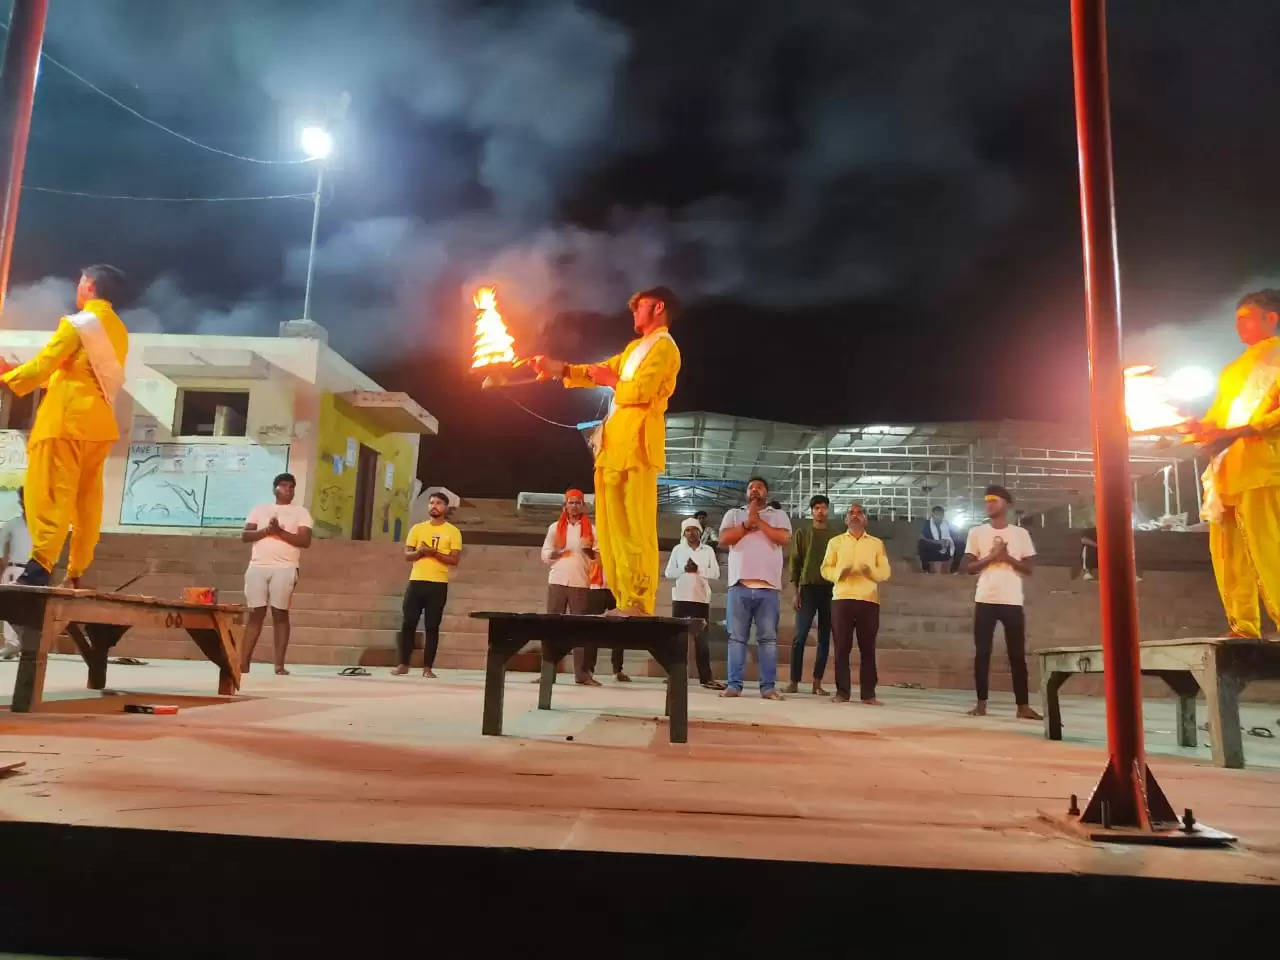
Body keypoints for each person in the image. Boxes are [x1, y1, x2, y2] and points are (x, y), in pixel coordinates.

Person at [529, 287, 681, 616]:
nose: (633, 313)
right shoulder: (634, 350)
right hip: (613, 449)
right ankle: (625, 600)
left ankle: (639, 602)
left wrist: (612, 379)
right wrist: (560, 369)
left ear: (658, 308)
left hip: (637, 448)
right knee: (613, 533)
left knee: (634, 528)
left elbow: (641, 390)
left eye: (639, 307)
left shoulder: (665, 348)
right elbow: (598, 370)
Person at [0, 266, 128, 587]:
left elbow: (44, 365)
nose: (77, 286)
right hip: (98, 426)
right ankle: (77, 571)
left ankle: (40, 567)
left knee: (49, 493)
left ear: (90, 286)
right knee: (87, 500)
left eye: (80, 282)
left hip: (65, 422)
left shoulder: (79, 324)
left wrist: (7, 375)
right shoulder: (118, 331)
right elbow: (76, 373)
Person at [1184, 288, 1280, 639]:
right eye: (1236, 320)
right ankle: (1243, 626)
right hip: (1226, 473)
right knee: (1228, 554)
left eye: (1246, 318)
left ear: (1272, 318)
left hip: (1264, 470)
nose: (1239, 326)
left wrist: (1249, 428)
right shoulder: (1232, 371)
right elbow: (1217, 418)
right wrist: (1200, 427)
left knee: (1269, 549)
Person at [961, 485, 1042, 719]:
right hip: (985, 598)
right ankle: (981, 703)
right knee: (982, 652)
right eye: (986, 500)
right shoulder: (977, 532)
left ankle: (1023, 706)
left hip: (1012, 600)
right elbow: (967, 567)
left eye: (994, 500)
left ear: (1006, 504)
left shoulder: (1020, 534)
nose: (988, 504)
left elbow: (1029, 568)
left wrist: (1007, 558)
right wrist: (991, 557)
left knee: (1016, 654)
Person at [717, 477, 792, 699]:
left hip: (768, 588)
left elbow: (784, 538)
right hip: (739, 587)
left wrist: (759, 522)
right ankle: (734, 685)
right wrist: (746, 525)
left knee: (767, 640)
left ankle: (768, 688)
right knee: (736, 639)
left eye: (759, 487)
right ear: (746, 493)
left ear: (766, 493)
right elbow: (724, 538)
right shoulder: (733, 514)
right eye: (751, 487)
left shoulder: (778, 515)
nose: (755, 490)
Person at [239, 473, 313, 675]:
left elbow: (304, 541)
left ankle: (279, 665)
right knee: (256, 614)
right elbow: (245, 535)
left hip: (286, 567)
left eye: (291, 487)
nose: (288, 490)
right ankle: (243, 662)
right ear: (275, 489)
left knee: (280, 613)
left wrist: (279, 532)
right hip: (258, 566)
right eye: (283, 486)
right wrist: (267, 531)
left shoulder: (301, 512)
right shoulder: (260, 509)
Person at [820, 503, 891, 704]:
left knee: (868, 648)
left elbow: (885, 572)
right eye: (851, 513)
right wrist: (838, 574)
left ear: (865, 519)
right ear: (845, 520)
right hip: (842, 598)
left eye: (859, 513)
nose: (855, 516)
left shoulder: (876, 543)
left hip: (868, 599)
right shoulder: (836, 542)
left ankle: (868, 694)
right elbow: (825, 569)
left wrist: (871, 573)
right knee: (842, 647)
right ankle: (842, 692)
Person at [394, 491, 462, 677]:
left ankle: (427, 667)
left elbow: (454, 559)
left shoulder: (453, 532)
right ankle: (403, 664)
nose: (434, 506)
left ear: (445, 507)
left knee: (432, 626)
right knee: (408, 622)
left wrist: (435, 554)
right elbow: (408, 555)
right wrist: (421, 552)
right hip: (416, 581)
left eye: (439, 503)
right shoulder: (417, 529)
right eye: (431, 503)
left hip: (438, 584)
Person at [540, 488, 600, 685]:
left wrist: (588, 551)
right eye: (571, 502)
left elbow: (599, 558)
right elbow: (545, 554)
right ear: (565, 505)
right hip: (557, 579)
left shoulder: (592, 530)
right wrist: (555, 554)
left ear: (583, 506)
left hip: (580, 582)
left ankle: (582, 675)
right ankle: (548, 672)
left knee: (579, 629)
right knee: (552, 628)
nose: (574, 506)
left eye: (578, 502)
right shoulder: (554, 528)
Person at [664, 516, 725, 690]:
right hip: (681, 598)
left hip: (700, 599)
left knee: (702, 641)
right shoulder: (678, 549)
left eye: (695, 530)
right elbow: (669, 573)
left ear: (700, 532)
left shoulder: (708, 551)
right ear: (683, 533)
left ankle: (706, 678)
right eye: (688, 530)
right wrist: (684, 569)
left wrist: (698, 569)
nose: (692, 533)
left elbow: (715, 573)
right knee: (677, 641)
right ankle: (674, 675)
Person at [786, 494, 839, 695]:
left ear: (828, 510)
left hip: (830, 590)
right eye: (816, 507)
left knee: (825, 638)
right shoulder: (802, 534)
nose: (820, 511)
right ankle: (794, 681)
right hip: (807, 588)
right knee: (799, 636)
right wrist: (796, 592)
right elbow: (795, 562)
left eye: (824, 507)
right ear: (811, 511)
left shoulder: (836, 537)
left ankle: (817, 683)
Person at [586, 562, 630, 681]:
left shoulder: (619, 543)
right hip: (596, 587)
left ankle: (617, 670)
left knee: (619, 629)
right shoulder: (596, 543)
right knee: (593, 628)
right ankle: (588, 670)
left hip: (616, 588)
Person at [0, 487, 31, 659]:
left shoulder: (43, 526)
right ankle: (11, 644)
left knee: (31, 609)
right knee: (10, 607)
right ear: (21, 502)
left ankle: (27, 645)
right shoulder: (12, 524)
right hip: (13, 569)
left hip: (35, 570)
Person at [918, 506, 955, 573]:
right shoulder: (927, 523)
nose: (938, 517)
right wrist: (937, 542)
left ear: (943, 515)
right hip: (932, 549)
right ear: (933, 515)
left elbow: (951, 538)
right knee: (922, 543)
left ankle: (954, 570)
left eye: (940, 515)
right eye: (936, 515)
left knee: (960, 544)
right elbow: (921, 537)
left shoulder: (946, 524)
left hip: (945, 549)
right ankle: (926, 570)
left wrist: (947, 542)